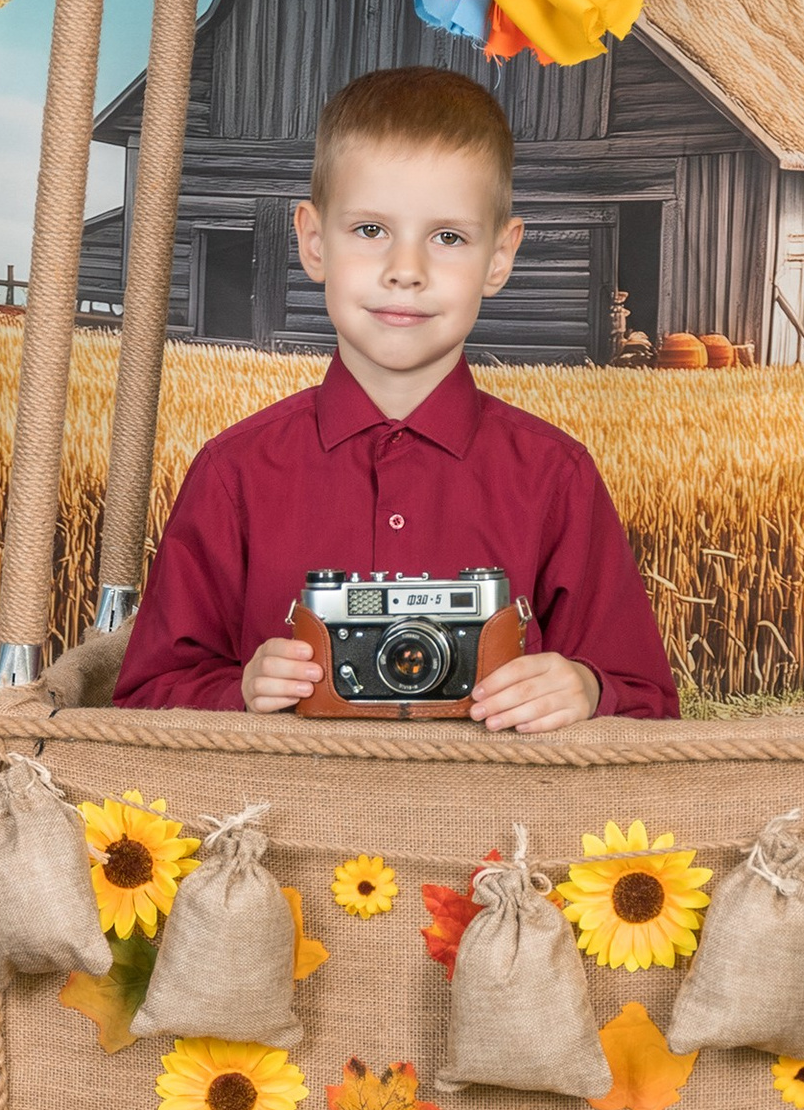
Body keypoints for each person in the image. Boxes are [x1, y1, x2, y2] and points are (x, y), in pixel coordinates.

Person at [111, 65, 680, 729]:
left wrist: (585, 687)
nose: (405, 271)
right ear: (313, 242)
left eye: (448, 237)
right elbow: (142, 700)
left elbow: (649, 706)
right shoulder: (232, 474)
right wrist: (239, 690)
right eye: (370, 230)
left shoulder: (558, 478)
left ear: (499, 258)